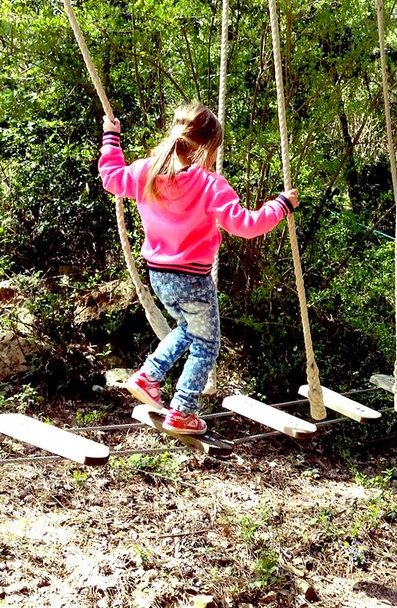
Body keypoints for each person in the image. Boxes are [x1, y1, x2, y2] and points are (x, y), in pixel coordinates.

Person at [98, 103, 298, 434]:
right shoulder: (209, 185)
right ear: (207, 148)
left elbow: (111, 177)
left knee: (189, 328)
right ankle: (183, 410)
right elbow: (245, 225)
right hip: (192, 279)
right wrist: (280, 206)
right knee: (207, 344)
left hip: (159, 276)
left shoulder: (146, 172)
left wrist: (111, 137)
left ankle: (149, 376)